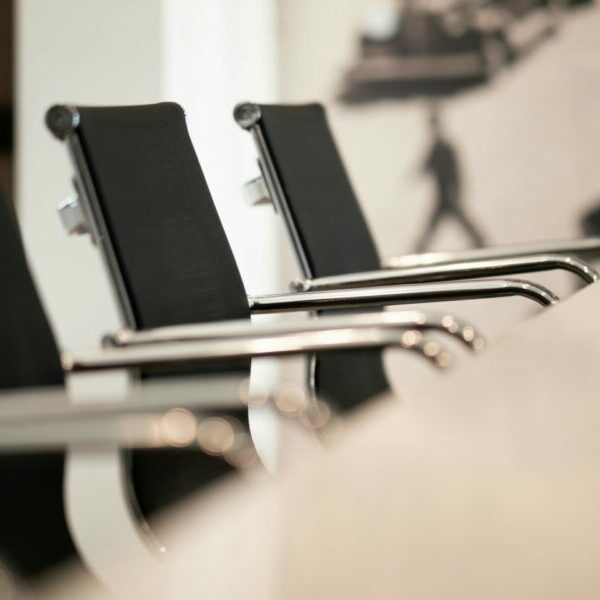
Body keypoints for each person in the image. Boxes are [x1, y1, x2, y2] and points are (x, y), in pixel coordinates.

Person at [415, 105, 486, 253]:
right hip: (441, 195)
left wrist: (457, 188)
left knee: (458, 221)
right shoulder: (435, 148)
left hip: (449, 194)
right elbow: (425, 166)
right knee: (435, 225)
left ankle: (481, 244)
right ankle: (418, 251)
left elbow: (456, 170)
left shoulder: (446, 148)